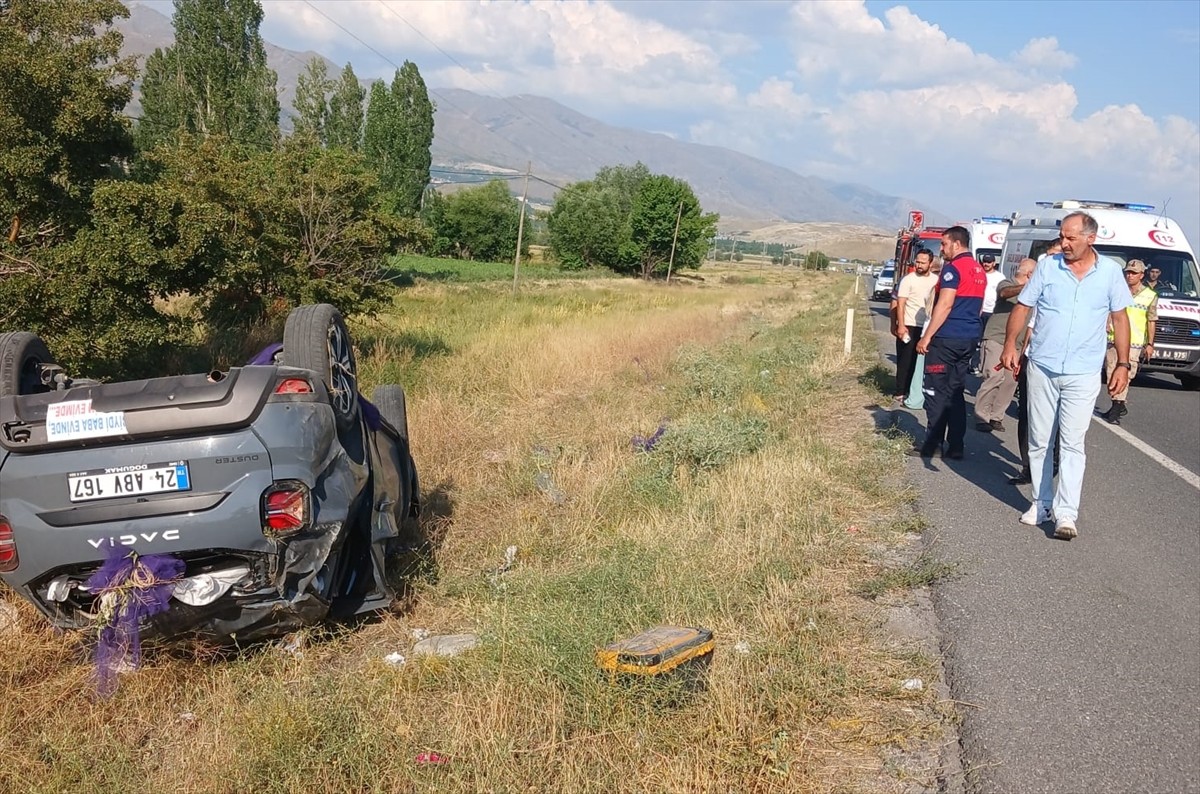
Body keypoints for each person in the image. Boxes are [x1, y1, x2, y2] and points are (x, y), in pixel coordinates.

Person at [1000, 212, 1132, 540]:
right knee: (1040, 438)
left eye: (1071, 238)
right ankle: (1041, 502)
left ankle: (1066, 513)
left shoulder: (1110, 274)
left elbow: (1121, 318)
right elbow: (1023, 306)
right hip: (1043, 364)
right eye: (1062, 236)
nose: (1064, 243)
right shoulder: (1048, 267)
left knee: (1073, 442)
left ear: (1091, 238)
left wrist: (1122, 364)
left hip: (1084, 371)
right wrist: (1010, 345)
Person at [909, 226, 986, 459]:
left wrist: (927, 336)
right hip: (969, 337)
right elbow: (980, 307)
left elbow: (944, 305)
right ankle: (956, 445)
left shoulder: (953, 269)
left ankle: (932, 444)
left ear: (956, 243)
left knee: (935, 390)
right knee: (955, 391)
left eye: (943, 244)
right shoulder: (978, 270)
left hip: (947, 339)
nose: (941, 250)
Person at [974, 258, 1035, 433]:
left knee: (1010, 381)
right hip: (997, 338)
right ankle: (981, 416)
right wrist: (1028, 287)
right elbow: (1004, 293)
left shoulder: (1035, 294)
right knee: (993, 376)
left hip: (1017, 344)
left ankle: (996, 416)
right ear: (1030, 274)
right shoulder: (1007, 283)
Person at [1101, 259, 1157, 424]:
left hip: (1134, 342)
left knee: (1125, 373)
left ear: (1141, 275)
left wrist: (1150, 344)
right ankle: (1117, 404)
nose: (1129, 275)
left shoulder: (1150, 296)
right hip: (1114, 339)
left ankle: (1116, 410)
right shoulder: (1118, 290)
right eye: (1128, 272)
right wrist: (1107, 323)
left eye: (1133, 273)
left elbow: (1151, 321)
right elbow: (1109, 309)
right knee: (1111, 373)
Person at [892, 249, 938, 402]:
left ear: (930, 263)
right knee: (906, 360)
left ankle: (917, 391)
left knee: (921, 362)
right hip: (909, 324)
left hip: (926, 326)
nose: (918, 265)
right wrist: (900, 325)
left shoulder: (935, 280)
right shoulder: (908, 279)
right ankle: (901, 391)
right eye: (917, 262)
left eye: (922, 262)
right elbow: (901, 303)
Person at [971, 253, 1005, 374]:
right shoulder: (978, 274)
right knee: (977, 339)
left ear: (994, 263)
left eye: (989, 262)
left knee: (988, 340)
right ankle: (974, 364)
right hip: (978, 310)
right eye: (984, 261)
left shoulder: (1000, 277)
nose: (986, 264)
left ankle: (984, 364)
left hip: (992, 312)